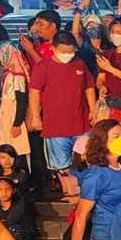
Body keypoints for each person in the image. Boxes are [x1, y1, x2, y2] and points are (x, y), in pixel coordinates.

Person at [28, 31, 96, 194]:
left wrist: (93, 109)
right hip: (55, 126)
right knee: (61, 165)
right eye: (64, 52)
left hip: (81, 123)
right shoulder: (43, 66)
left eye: (71, 51)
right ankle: (70, 193)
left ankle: (86, 193)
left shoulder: (79, 63)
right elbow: (34, 92)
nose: (68, 55)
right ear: (53, 48)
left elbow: (89, 87)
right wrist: (35, 117)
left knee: (86, 161)